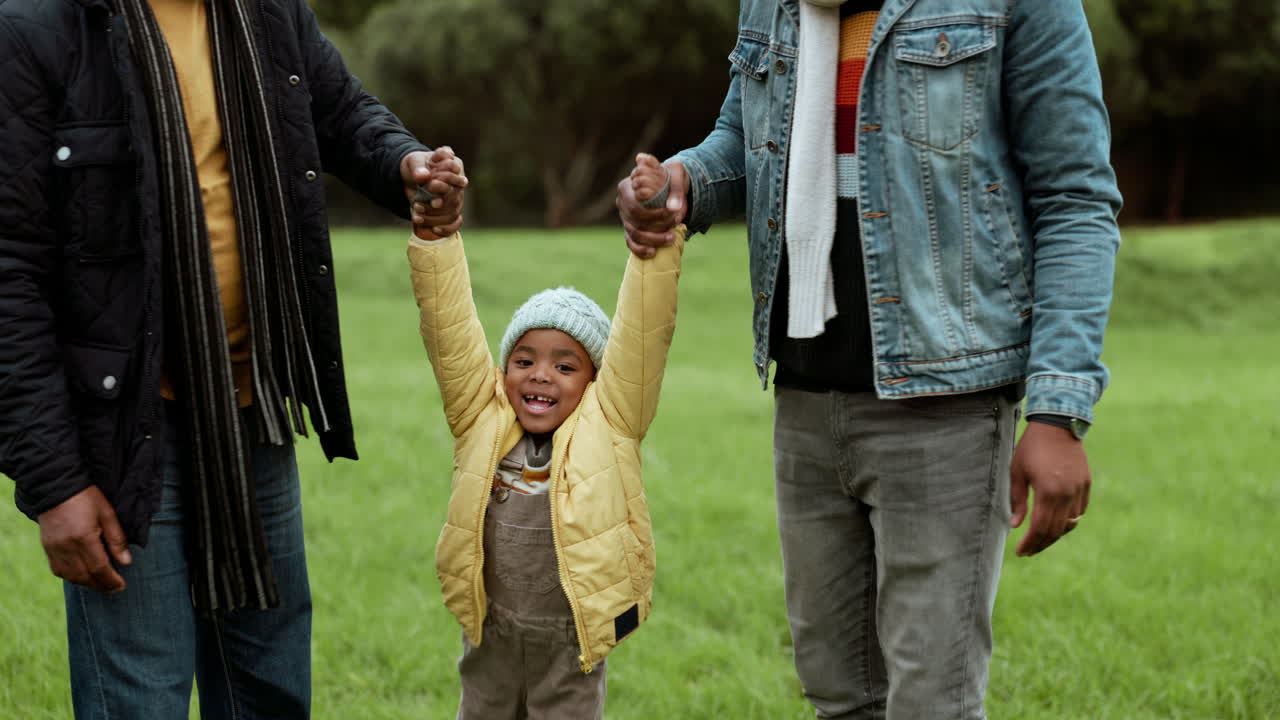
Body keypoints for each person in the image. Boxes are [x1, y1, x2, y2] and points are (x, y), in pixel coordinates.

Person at [616, 2, 1122, 718]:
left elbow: (1075, 196)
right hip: (806, 397)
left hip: (948, 404)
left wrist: (1059, 408)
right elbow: (749, 136)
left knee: (931, 703)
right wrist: (684, 182)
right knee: (839, 695)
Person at [0, 0, 464, 716]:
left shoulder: (265, 10)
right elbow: (10, 270)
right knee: (139, 702)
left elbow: (338, 110)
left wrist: (404, 163)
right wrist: (55, 484)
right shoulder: (37, 26)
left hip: (253, 415)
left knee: (268, 693)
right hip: (124, 436)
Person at [408, 154, 682, 719]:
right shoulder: (481, 417)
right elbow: (451, 330)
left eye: (565, 366)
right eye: (525, 359)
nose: (539, 375)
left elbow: (641, 336)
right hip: (492, 634)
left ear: (595, 380)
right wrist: (437, 239)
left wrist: (655, 242)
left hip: (569, 641)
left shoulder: (612, 424)